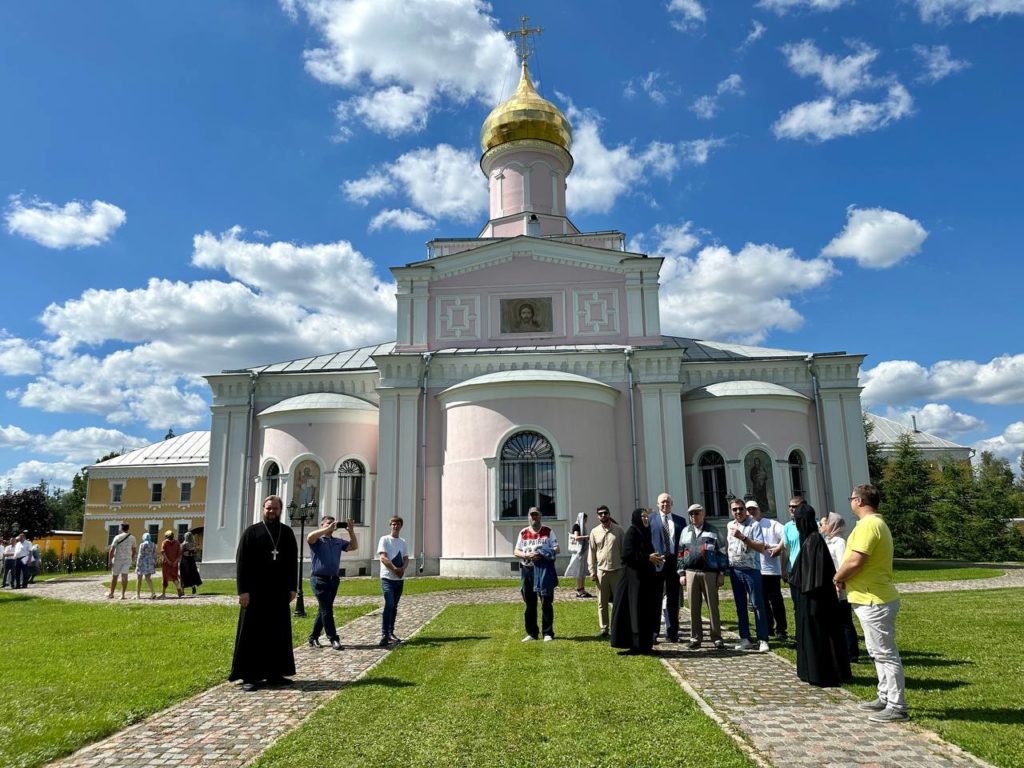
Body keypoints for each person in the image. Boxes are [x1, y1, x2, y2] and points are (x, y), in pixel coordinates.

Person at [834, 484, 907, 722]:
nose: (851, 501)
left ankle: (897, 706)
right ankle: (884, 695)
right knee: (876, 652)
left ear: (860, 501)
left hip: (874, 599)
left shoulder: (869, 525)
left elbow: (856, 560)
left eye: (852, 498)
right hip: (869, 596)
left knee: (885, 653)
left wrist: (838, 577)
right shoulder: (873, 524)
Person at [230, 495, 298, 691]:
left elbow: (292, 562)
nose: (271, 512)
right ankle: (249, 676)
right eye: (268, 508)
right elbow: (241, 562)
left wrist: (292, 587)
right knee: (252, 633)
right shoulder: (251, 532)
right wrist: (243, 591)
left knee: (277, 633)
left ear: (280, 510)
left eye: (275, 509)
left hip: (278, 593)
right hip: (255, 593)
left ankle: (274, 674)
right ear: (263, 509)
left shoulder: (286, 533)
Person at [789, 502, 851, 687]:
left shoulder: (814, 541)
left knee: (819, 633)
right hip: (811, 596)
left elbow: (813, 576)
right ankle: (810, 670)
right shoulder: (810, 540)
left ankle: (820, 671)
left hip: (815, 598)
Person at [610, 508, 662, 655]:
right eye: (643, 517)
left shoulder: (645, 533)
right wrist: (647, 558)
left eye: (647, 517)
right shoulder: (632, 532)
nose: (646, 519)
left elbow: (647, 552)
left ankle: (646, 646)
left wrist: (655, 559)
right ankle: (636, 645)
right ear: (637, 519)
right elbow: (627, 554)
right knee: (635, 611)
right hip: (634, 581)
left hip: (645, 581)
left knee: (646, 612)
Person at [677, 504, 728, 650]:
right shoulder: (685, 531)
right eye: (691, 514)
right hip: (691, 572)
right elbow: (680, 553)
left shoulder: (713, 530)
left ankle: (717, 637)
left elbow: (722, 552)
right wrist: (681, 573)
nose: (694, 516)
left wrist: (722, 573)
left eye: (696, 513)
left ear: (703, 514)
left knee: (713, 606)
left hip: (709, 573)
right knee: (693, 607)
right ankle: (695, 637)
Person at [307, 514, 357, 650]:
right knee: (327, 609)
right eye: (328, 523)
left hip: (333, 580)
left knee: (323, 609)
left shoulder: (337, 541)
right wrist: (325, 530)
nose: (331, 525)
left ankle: (313, 638)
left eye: (332, 523)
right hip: (319, 579)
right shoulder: (318, 540)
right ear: (322, 525)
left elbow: (353, 546)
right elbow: (309, 537)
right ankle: (333, 638)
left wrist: (351, 531)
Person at [726, 499, 770, 652]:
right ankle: (745, 638)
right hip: (735, 569)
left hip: (751, 569)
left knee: (757, 604)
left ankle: (763, 638)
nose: (738, 512)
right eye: (734, 510)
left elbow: (760, 547)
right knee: (740, 606)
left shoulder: (754, 525)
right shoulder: (730, 525)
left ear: (745, 510)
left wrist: (743, 537)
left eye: (740, 509)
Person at [513, 507, 560, 642]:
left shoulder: (548, 531)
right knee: (529, 602)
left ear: (540, 516)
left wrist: (542, 553)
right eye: (532, 515)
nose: (534, 518)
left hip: (544, 570)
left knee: (546, 601)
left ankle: (547, 633)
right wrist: (527, 554)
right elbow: (516, 551)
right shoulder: (523, 532)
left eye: (536, 515)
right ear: (528, 517)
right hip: (528, 570)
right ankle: (532, 633)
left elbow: (557, 548)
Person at [822, 512, 860, 663]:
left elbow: (842, 563)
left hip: (839, 585)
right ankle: (841, 648)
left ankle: (852, 652)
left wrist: (840, 582)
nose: (821, 526)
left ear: (831, 526)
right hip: (830, 584)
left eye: (824, 523)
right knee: (836, 619)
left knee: (845, 620)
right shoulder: (827, 541)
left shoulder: (839, 542)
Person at [749, 500, 788, 642]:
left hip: (771, 569)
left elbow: (786, 534)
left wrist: (777, 548)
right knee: (762, 601)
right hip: (755, 568)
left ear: (759, 509)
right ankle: (768, 627)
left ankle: (781, 628)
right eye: (749, 510)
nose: (751, 512)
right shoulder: (747, 525)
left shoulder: (770, 524)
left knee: (776, 600)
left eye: (753, 509)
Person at [649, 492, 685, 643]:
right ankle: (654, 632)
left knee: (673, 599)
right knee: (655, 598)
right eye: (662, 502)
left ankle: (672, 632)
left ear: (672, 504)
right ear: (657, 504)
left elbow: (683, 544)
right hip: (657, 563)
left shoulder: (680, 521)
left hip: (673, 563)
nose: (665, 504)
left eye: (668, 502)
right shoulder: (651, 520)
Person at [587, 505, 624, 637]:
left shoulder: (619, 530)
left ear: (609, 514)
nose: (603, 516)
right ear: (598, 517)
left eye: (605, 513)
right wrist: (592, 571)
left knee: (618, 601)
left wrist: (624, 570)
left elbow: (624, 551)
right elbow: (591, 552)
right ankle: (604, 628)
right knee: (602, 602)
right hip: (601, 571)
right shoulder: (594, 532)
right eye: (600, 514)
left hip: (617, 570)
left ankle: (618, 626)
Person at [377, 516, 408, 647]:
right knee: (389, 604)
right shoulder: (384, 539)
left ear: (401, 526)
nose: (395, 526)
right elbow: (383, 558)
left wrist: (402, 569)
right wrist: (395, 569)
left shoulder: (403, 541)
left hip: (399, 579)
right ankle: (384, 634)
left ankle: (391, 632)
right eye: (393, 524)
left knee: (394, 606)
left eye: (397, 524)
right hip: (387, 578)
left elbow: (406, 558)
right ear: (390, 526)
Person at [564, 512, 593, 598]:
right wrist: (586, 537)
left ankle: (582, 589)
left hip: (583, 552)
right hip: (578, 553)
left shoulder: (582, 527)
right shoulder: (576, 526)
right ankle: (579, 590)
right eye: (585, 519)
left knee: (583, 572)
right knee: (579, 572)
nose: (585, 521)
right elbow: (576, 538)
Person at [107, 524, 136, 599]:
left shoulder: (117, 537)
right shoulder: (132, 538)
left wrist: (110, 560)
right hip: (127, 559)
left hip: (117, 559)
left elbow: (112, 549)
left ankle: (111, 593)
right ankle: (123, 594)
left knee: (114, 577)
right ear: (128, 528)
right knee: (124, 576)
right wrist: (131, 558)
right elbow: (134, 550)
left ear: (121, 528)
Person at [159, 531, 184, 598]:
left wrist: (168, 561)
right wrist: (175, 561)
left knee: (165, 578)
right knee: (174, 577)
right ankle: (179, 589)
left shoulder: (164, 542)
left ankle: (163, 593)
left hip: (166, 564)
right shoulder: (177, 543)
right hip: (174, 564)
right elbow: (179, 553)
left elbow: (163, 552)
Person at [135, 532, 157, 599]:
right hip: (150, 563)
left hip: (142, 563)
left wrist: (137, 565)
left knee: (139, 579)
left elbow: (140, 555)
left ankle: (138, 595)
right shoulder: (153, 545)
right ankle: (153, 593)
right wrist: (154, 562)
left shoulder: (142, 545)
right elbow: (154, 554)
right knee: (148, 579)